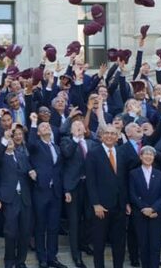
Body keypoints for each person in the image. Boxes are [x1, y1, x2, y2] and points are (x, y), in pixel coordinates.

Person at [86, 124, 137, 268]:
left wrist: (126, 202)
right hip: (101, 207)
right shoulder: (93, 153)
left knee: (119, 243)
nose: (109, 136)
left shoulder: (122, 153)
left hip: (119, 206)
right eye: (106, 133)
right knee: (99, 243)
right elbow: (90, 181)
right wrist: (95, 204)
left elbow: (124, 179)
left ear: (117, 136)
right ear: (101, 136)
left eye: (113, 134)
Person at [28, 113, 67, 268]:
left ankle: (52, 257)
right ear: (38, 132)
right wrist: (33, 123)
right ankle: (42, 257)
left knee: (53, 226)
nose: (46, 126)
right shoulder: (36, 145)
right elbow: (29, 143)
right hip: (41, 190)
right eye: (42, 126)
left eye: (47, 125)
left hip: (55, 192)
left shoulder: (57, 147)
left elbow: (60, 169)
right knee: (40, 225)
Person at [0, 128, 34, 268]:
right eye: (7, 141)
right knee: (10, 232)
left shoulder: (21, 155)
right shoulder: (0, 157)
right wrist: (4, 139)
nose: (10, 142)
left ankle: (20, 261)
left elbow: (28, 168)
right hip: (10, 199)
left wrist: (32, 172)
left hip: (25, 198)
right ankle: (9, 261)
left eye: (11, 140)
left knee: (25, 231)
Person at [60, 120, 96, 268]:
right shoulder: (66, 141)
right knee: (74, 221)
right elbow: (67, 154)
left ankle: (83, 243)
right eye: (76, 126)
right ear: (71, 130)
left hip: (88, 186)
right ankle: (76, 256)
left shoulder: (91, 143)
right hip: (73, 187)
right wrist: (66, 190)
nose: (79, 127)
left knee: (88, 217)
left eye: (81, 126)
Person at [128, 146, 161, 268]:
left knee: (155, 246)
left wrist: (153, 209)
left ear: (154, 158)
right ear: (140, 156)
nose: (148, 156)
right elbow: (132, 194)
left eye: (151, 154)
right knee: (143, 246)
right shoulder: (133, 174)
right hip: (140, 214)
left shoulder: (160, 174)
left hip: (156, 214)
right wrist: (144, 209)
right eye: (146, 154)